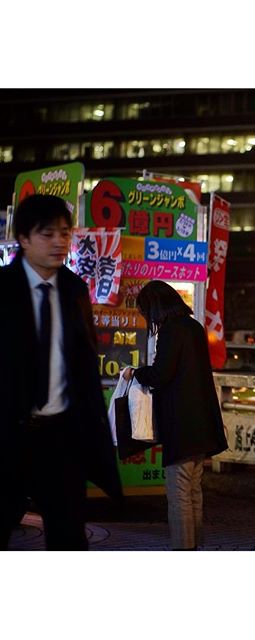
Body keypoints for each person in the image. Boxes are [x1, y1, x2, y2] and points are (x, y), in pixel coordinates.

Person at [0, 194, 122, 551]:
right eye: (47, 234)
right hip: (8, 436)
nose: (59, 243)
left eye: (65, 234)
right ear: (23, 239)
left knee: (68, 537)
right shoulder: (3, 290)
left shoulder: (74, 290)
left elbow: (82, 366)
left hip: (61, 438)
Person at [123, 280, 228, 550]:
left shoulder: (171, 331)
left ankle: (183, 549)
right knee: (193, 491)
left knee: (179, 493)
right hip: (202, 424)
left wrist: (136, 372)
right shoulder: (193, 327)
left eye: (146, 311)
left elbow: (161, 375)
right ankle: (194, 546)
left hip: (181, 425)